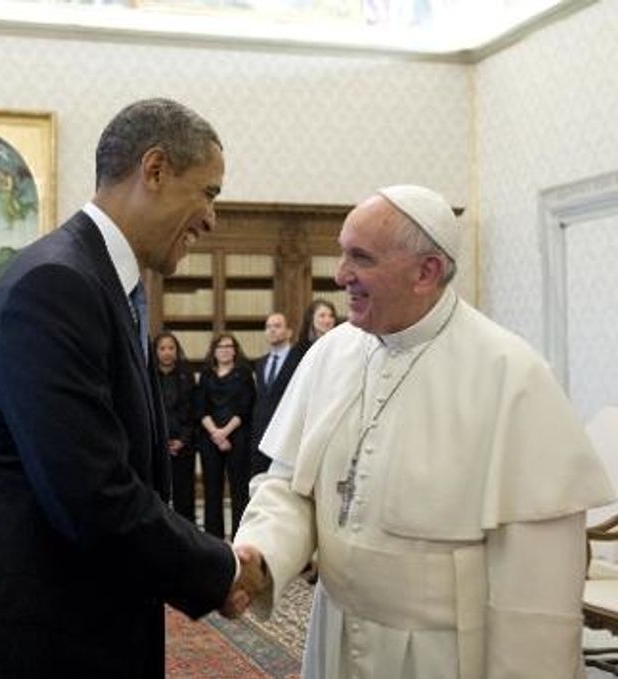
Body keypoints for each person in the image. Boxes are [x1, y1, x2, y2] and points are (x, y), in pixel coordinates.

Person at [0, 98, 264, 679]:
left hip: (73, 627)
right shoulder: (55, 285)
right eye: (209, 192)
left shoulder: (98, 283)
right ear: (154, 169)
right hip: (22, 642)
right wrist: (219, 569)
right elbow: (93, 495)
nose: (211, 219)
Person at [233, 185, 615, 678]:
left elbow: (536, 586)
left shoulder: (510, 374)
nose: (339, 273)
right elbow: (289, 486)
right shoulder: (331, 354)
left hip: (445, 656)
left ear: (426, 271)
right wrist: (261, 554)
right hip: (336, 633)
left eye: (360, 258)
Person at [250, 303, 337, 476]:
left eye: (330, 316)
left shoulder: (299, 355)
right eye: (321, 315)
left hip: (315, 418)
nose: (326, 320)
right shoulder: (296, 353)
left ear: (289, 331)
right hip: (266, 430)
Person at [195, 332, 255, 539]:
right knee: (212, 492)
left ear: (235, 350)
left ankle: (240, 536)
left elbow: (245, 408)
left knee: (239, 491)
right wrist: (215, 433)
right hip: (210, 439)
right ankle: (213, 538)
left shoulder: (244, 373)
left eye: (229, 346)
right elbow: (200, 408)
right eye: (221, 347)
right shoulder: (206, 375)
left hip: (237, 437)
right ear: (214, 351)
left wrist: (225, 432)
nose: (225, 350)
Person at [153, 331, 196, 522]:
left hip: (183, 446)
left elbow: (193, 413)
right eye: (162, 348)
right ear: (155, 352)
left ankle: (188, 538)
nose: (167, 352)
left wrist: (182, 440)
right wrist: (161, 440)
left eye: (171, 348)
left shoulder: (186, 377)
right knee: (157, 492)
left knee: (184, 494)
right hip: (156, 445)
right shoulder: (148, 378)